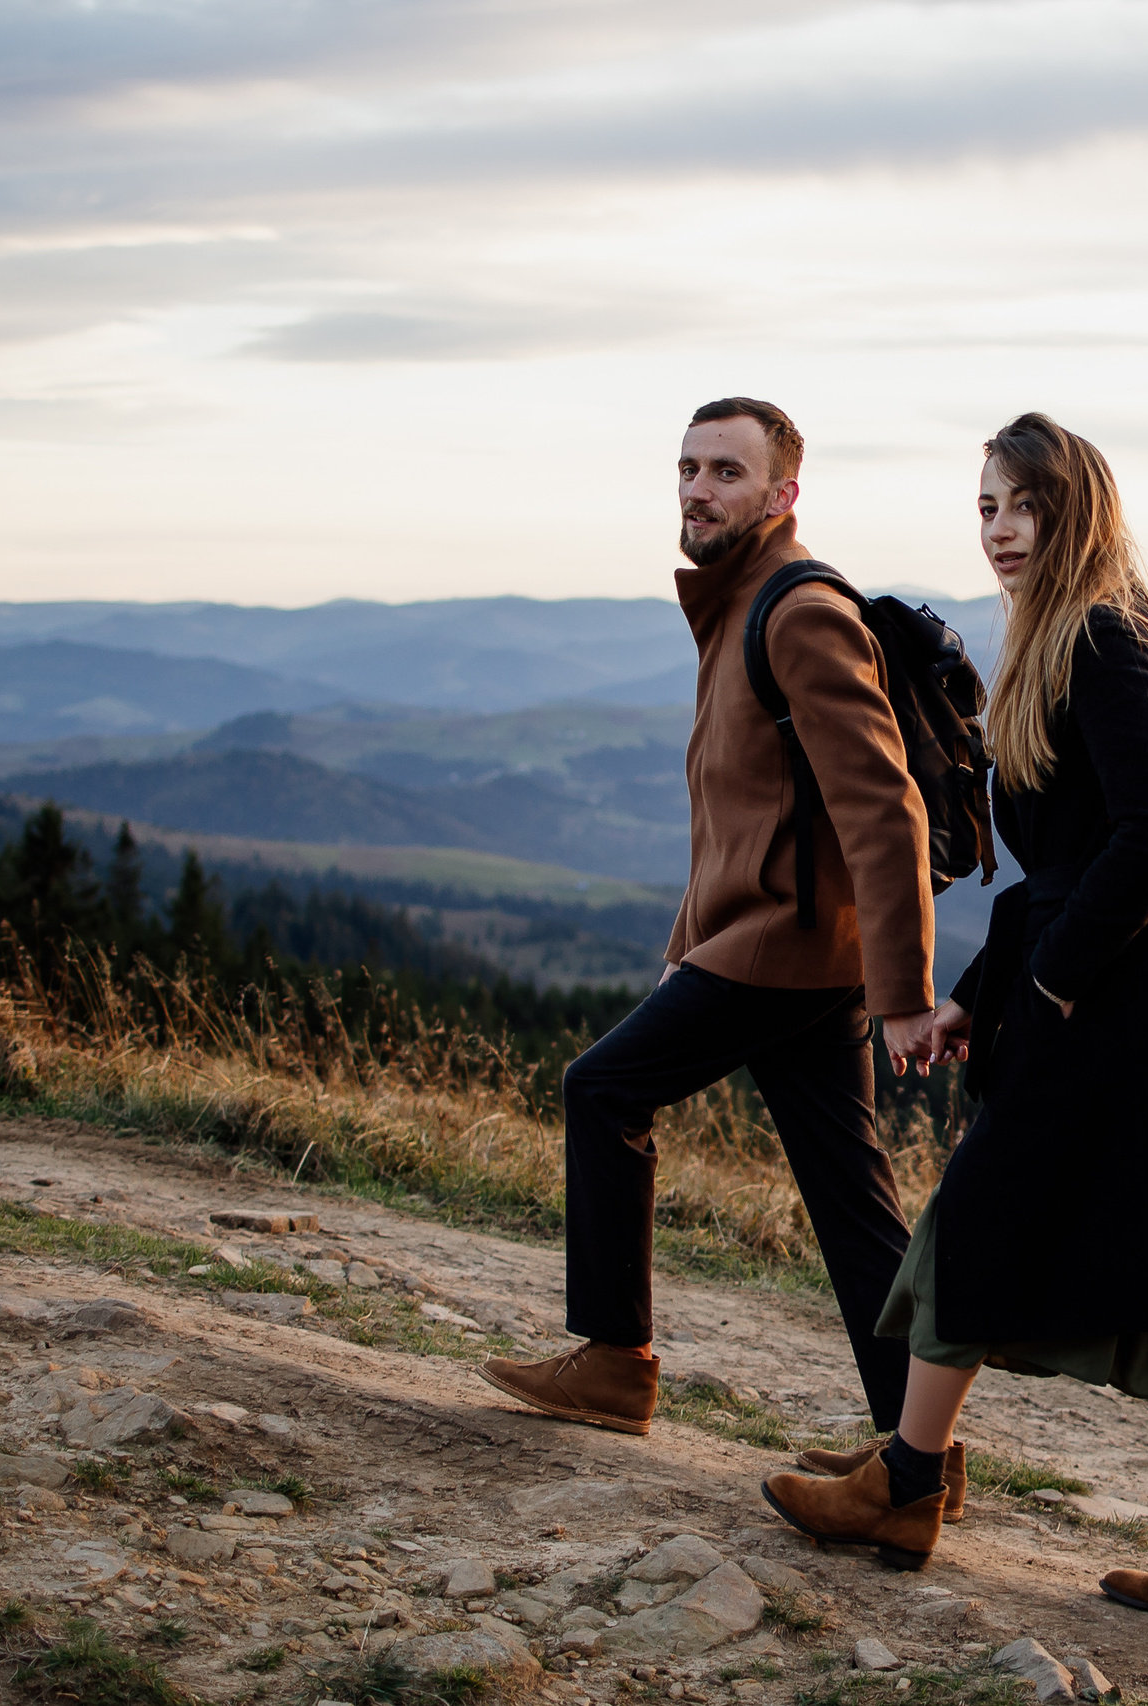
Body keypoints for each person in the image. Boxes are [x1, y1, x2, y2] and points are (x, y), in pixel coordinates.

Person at [760, 413, 1148, 1640]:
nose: (1001, 530)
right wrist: (985, 991)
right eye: (986, 508)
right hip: (1128, 982)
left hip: (1134, 995)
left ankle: (904, 1484)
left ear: (1077, 512)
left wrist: (1050, 985)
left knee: (978, 1212)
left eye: (1023, 506)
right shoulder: (1065, 637)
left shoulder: (1107, 638)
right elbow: (1056, 867)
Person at [479, 397, 943, 1438]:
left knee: (601, 1089)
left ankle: (612, 1360)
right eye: (688, 468)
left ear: (782, 492)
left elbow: (882, 807)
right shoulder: (735, 604)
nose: (698, 488)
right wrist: (685, 949)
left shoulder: (799, 611)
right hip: (784, 946)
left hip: (782, 949)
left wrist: (906, 992)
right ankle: (916, 1453)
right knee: (849, 1197)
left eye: (727, 471)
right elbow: (743, 815)